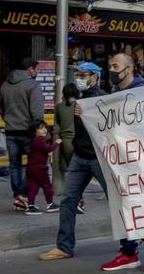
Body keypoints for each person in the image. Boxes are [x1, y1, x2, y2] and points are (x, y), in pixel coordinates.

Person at [39, 62, 108, 264]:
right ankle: (64, 247)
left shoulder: (102, 98)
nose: (79, 78)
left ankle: (130, 245)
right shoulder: (78, 99)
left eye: (83, 74)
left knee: (116, 201)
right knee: (68, 201)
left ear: (94, 77)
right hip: (79, 157)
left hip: (98, 158)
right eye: (78, 74)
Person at [101, 53, 144, 271]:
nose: (111, 69)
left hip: (141, 160)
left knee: (138, 203)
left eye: (115, 66)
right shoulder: (115, 92)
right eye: (110, 66)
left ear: (129, 69)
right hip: (120, 159)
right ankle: (128, 252)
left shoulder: (143, 92)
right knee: (123, 205)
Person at [0, 58, 44, 211]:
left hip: (10, 130)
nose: (36, 72)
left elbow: (1, 109)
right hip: (28, 131)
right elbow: (37, 113)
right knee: (36, 164)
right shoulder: (33, 85)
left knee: (14, 165)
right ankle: (23, 195)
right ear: (30, 69)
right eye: (36, 69)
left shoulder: (5, 85)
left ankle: (18, 195)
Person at [25, 120, 60, 215]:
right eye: (41, 128)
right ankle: (50, 204)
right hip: (39, 168)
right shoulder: (40, 140)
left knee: (33, 187)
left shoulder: (33, 141)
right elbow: (48, 149)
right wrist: (57, 143)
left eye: (45, 128)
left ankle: (30, 206)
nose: (44, 130)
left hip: (30, 167)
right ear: (35, 132)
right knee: (47, 185)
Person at [53, 83, 80, 201]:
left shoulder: (59, 107)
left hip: (65, 142)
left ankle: (65, 193)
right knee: (80, 172)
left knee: (68, 170)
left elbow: (56, 127)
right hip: (80, 142)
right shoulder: (81, 105)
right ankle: (78, 197)